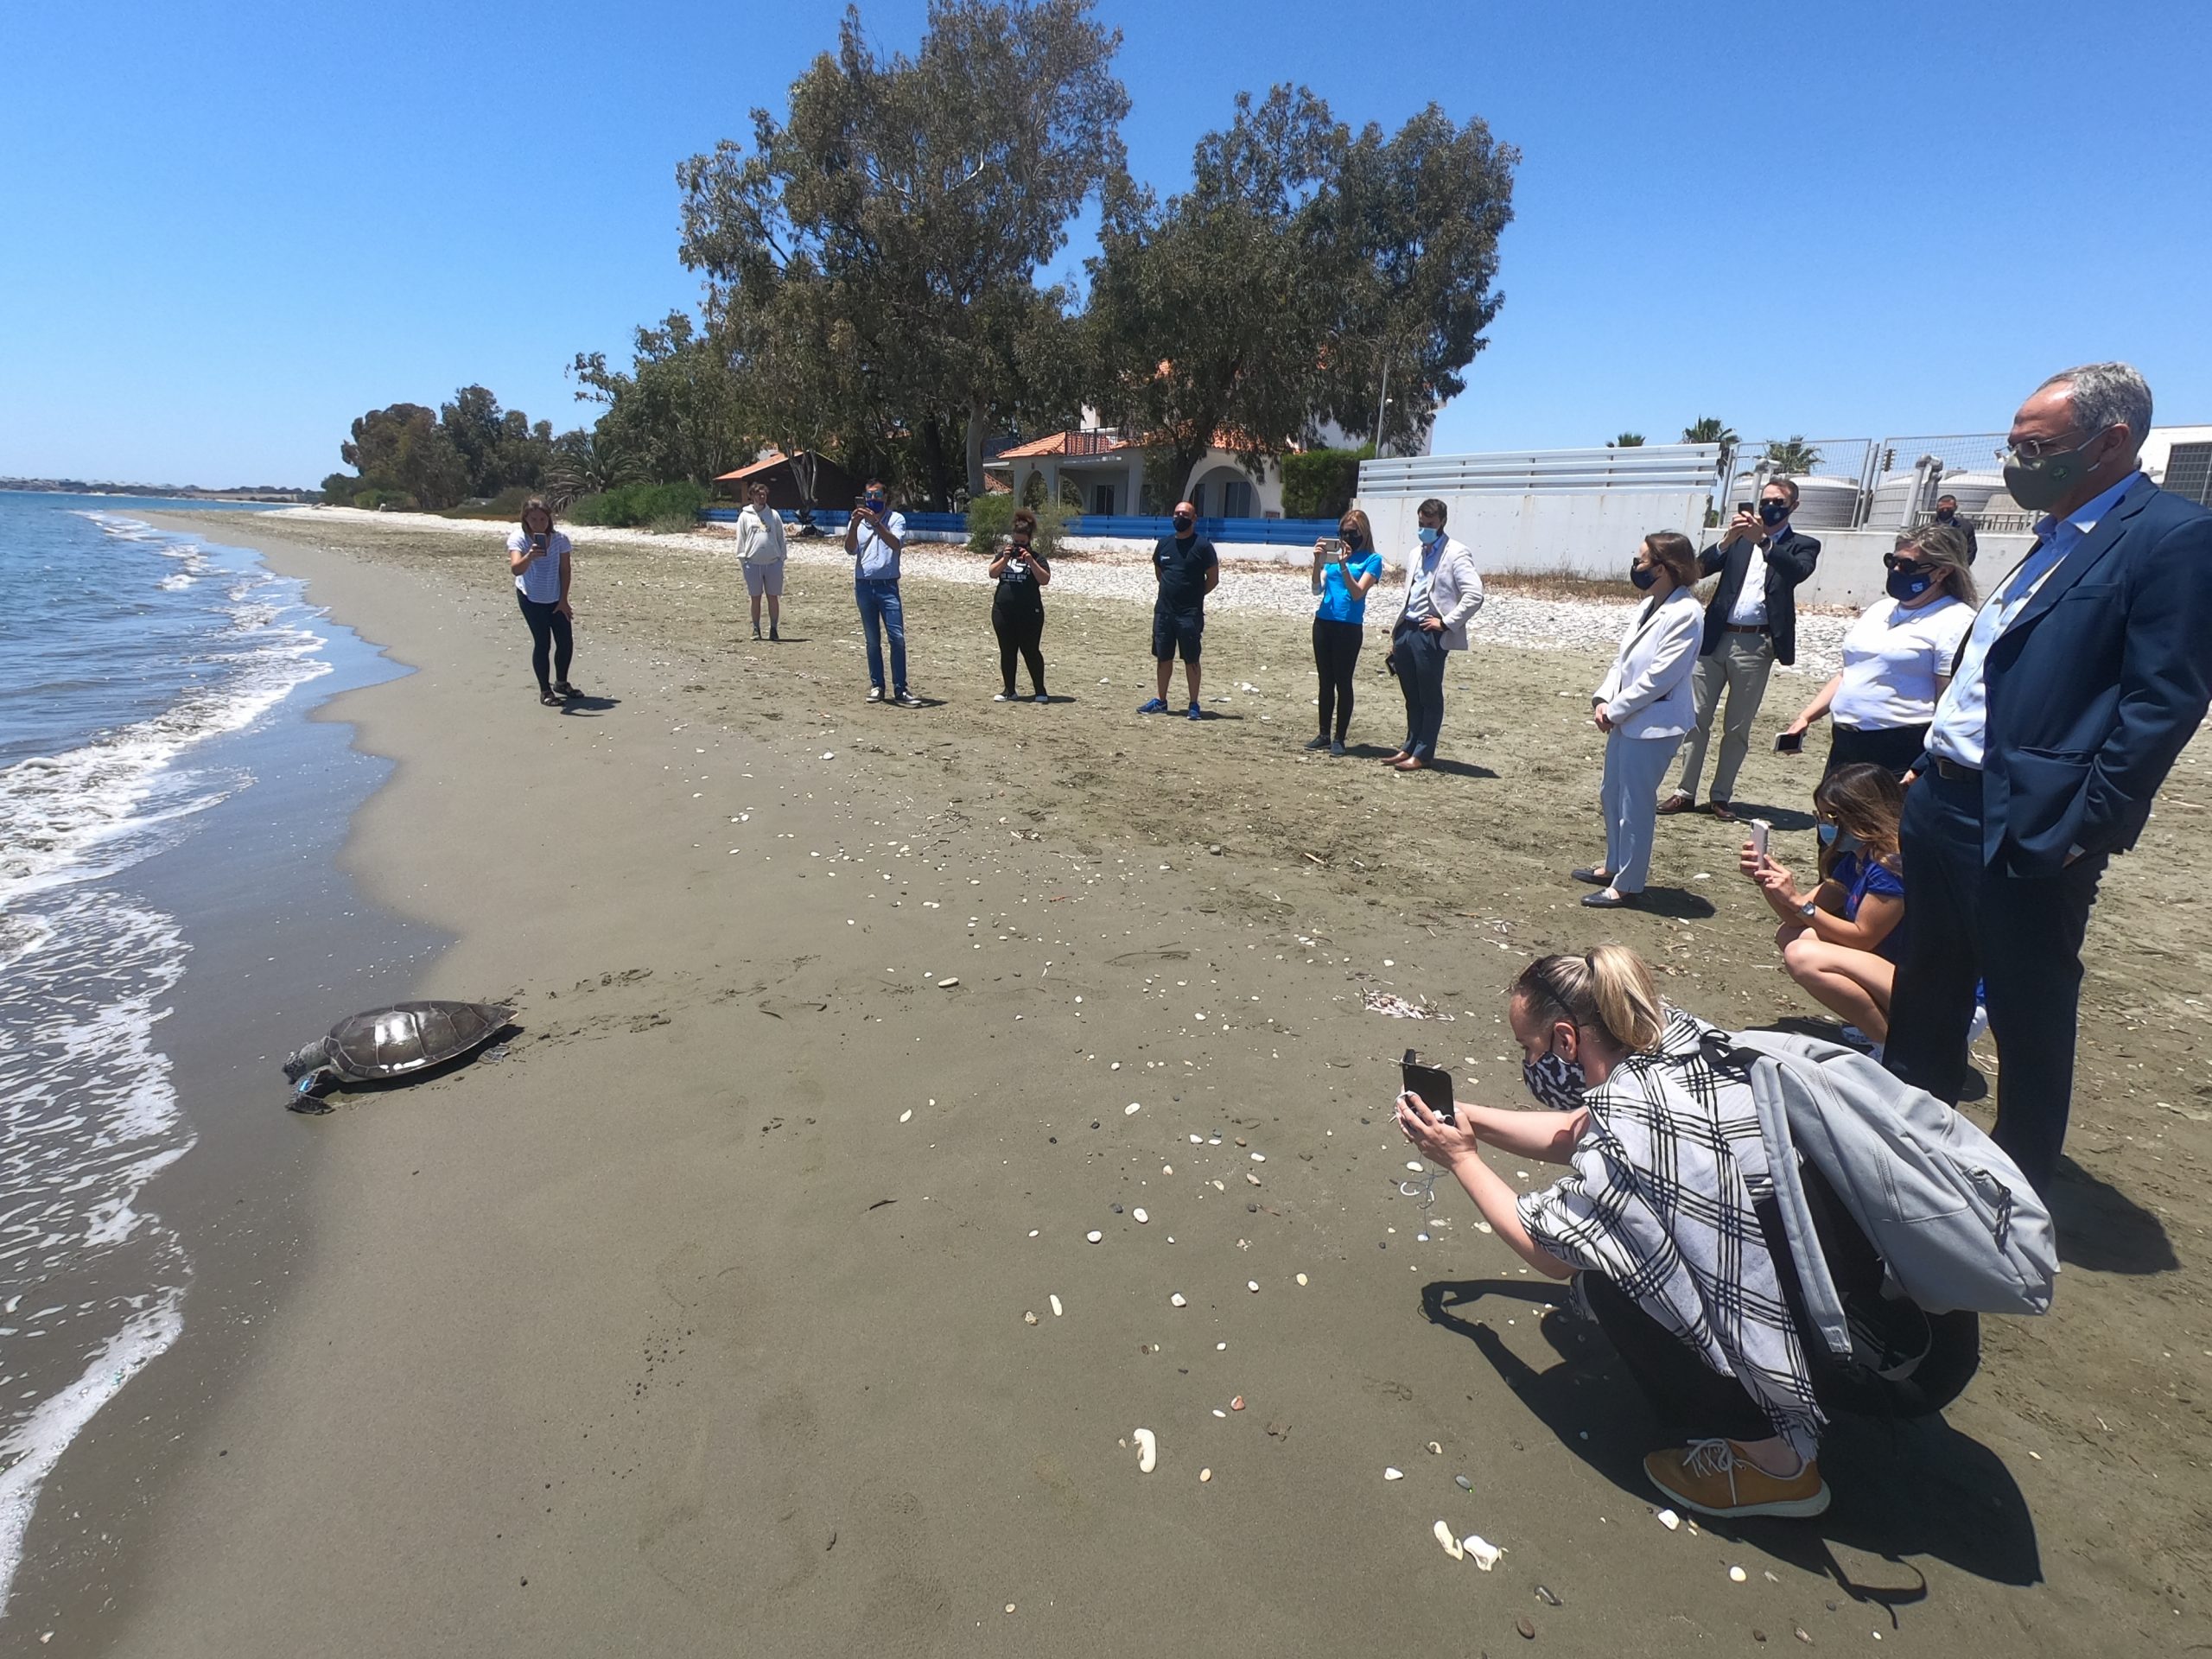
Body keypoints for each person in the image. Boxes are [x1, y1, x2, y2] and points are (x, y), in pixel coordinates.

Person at [1394, 947, 1974, 1520]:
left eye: (1530, 1048)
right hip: (1923, 1321)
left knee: (1608, 1284)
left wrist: (1462, 1160)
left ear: (1567, 1042)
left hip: (1890, 1368)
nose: (1529, 1062)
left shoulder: (1630, 1133)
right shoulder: (1686, 1046)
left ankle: (1778, 1464)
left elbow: (1546, 1249)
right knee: (1635, 1255)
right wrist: (1468, 1120)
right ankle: (1787, 1394)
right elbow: (1579, 1129)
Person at [1884, 362, 2212, 1192]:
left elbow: (2161, 704)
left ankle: (2012, 1184)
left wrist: (2085, 827)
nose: (2016, 461)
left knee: (2029, 1008)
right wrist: (1928, 764)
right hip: (1945, 801)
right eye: (2013, 444)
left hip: (2032, 822)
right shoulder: (2050, 538)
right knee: (1928, 985)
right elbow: (1990, 668)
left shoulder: (2171, 537)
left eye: (2037, 446)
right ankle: (1902, 1152)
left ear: (2111, 442)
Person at [1659, 479, 1821, 820]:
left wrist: (1763, 541)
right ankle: (1685, 792)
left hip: (1755, 645)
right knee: (1696, 718)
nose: (1769, 506)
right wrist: (1727, 541)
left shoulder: (1803, 545)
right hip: (1715, 636)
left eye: (1778, 501)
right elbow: (1697, 570)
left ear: (1793, 505)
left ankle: (1721, 796)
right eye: (1765, 500)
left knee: (1737, 726)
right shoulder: (1738, 544)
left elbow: (1797, 572)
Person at [1777, 524, 1976, 778]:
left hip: (1899, 747)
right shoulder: (1880, 609)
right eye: (1892, 561)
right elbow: (1849, 672)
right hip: (1846, 742)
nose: (1896, 570)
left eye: (1908, 565)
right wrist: (1806, 717)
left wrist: (1924, 761)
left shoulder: (1956, 620)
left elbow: (1949, 697)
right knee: (1832, 815)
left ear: (1942, 572)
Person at [1574, 532, 1705, 909]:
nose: (1636, 568)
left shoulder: (1686, 613)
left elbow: (1659, 677)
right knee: (1611, 792)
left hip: (1655, 724)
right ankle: (1614, 864)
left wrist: (1615, 710)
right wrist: (1604, 697)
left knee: (1636, 803)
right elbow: (1624, 662)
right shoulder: (1649, 604)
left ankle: (1629, 882)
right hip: (1626, 717)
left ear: (1663, 567)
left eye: (1642, 561)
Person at [1741, 764, 1907, 1052]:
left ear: (1864, 814)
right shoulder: (1858, 858)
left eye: (1832, 817)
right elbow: (1795, 922)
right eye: (1821, 816)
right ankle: (1880, 1025)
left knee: (1803, 955)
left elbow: (1863, 937)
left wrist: (1796, 900)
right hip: (1892, 974)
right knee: (1792, 937)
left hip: (1940, 997)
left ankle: (1891, 1050)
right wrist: (1766, 880)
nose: (1824, 825)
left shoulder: (1892, 865)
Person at [1382, 499, 1484, 772]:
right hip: (1407, 628)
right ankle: (1409, 746)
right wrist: (1398, 632)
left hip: (1430, 634)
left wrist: (1447, 623)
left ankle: (1424, 752)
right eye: (1421, 524)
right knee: (1411, 694)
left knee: (1429, 695)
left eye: (1430, 524)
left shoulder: (1456, 553)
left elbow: (1475, 594)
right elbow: (1413, 591)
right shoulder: (1416, 553)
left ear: (1442, 522)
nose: (1424, 528)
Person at [1306, 509, 1384, 754]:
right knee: (1325, 681)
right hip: (1324, 622)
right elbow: (1316, 589)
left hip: (1348, 627)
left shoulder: (1373, 560)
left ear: (1363, 533)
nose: (1347, 538)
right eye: (1343, 533)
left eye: (1352, 533)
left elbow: (1357, 592)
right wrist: (1319, 561)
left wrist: (1343, 566)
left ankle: (1340, 737)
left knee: (1343, 681)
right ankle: (1323, 734)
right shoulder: (1333, 557)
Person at [1138, 499, 1218, 720]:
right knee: (1163, 657)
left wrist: (1194, 595)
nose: (1179, 517)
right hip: (1164, 611)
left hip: (1189, 614)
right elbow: (1159, 573)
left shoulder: (1203, 547)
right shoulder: (1163, 544)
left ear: (1194, 519)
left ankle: (1194, 704)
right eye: (1176, 513)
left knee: (1191, 659)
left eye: (1185, 514)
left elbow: (1213, 579)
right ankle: (1161, 701)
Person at [844, 479, 918, 706]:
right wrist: (856, 525)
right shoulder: (856, 521)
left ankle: (900, 689)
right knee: (872, 640)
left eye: (877, 495)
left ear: (885, 497)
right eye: (869, 496)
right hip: (864, 586)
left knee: (897, 638)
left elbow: (895, 544)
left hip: (888, 586)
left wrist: (877, 523)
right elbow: (849, 549)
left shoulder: (896, 519)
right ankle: (877, 685)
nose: (872, 500)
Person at [506, 496, 577, 707]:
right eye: (534, 519)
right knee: (543, 643)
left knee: (565, 641)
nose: (540, 524)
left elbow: (565, 570)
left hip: (555, 596)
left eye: (543, 519)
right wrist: (530, 556)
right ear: (525, 519)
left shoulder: (560, 539)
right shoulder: (518, 539)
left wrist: (564, 599)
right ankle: (545, 691)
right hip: (531, 597)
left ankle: (561, 683)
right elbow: (516, 569)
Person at [988, 507, 1052, 703]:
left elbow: (1044, 579)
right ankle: (1009, 690)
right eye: (1016, 542)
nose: (1018, 546)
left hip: (1029, 613)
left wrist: (1030, 561)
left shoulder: (1037, 558)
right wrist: (1006, 558)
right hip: (1003, 611)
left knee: (1030, 650)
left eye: (1022, 543)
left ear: (1029, 540)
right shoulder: (1003, 555)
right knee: (1007, 651)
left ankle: (1040, 690)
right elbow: (992, 573)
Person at [735, 480, 787, 642]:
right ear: (752, 496)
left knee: (773, 597)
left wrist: (781, 559)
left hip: (773, 563)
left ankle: (773, 629)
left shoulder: (774, 515)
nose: (762, 496)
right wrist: (743, 560)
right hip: (752, 563)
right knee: (755, 597)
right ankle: (756, 629)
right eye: (759, 494)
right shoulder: (745, 516)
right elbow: (741, 539)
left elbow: (781, 537)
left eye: (764, 494)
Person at [1932, 494, 1978, 563]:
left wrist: (1960, 567)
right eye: (1942, 509)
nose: (1945, 511)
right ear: (1937, 508)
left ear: (1955, 508)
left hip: (1958, 568)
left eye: (1949, 509)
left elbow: (1971, 550)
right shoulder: (1929, 528)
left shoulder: (1966, 527)